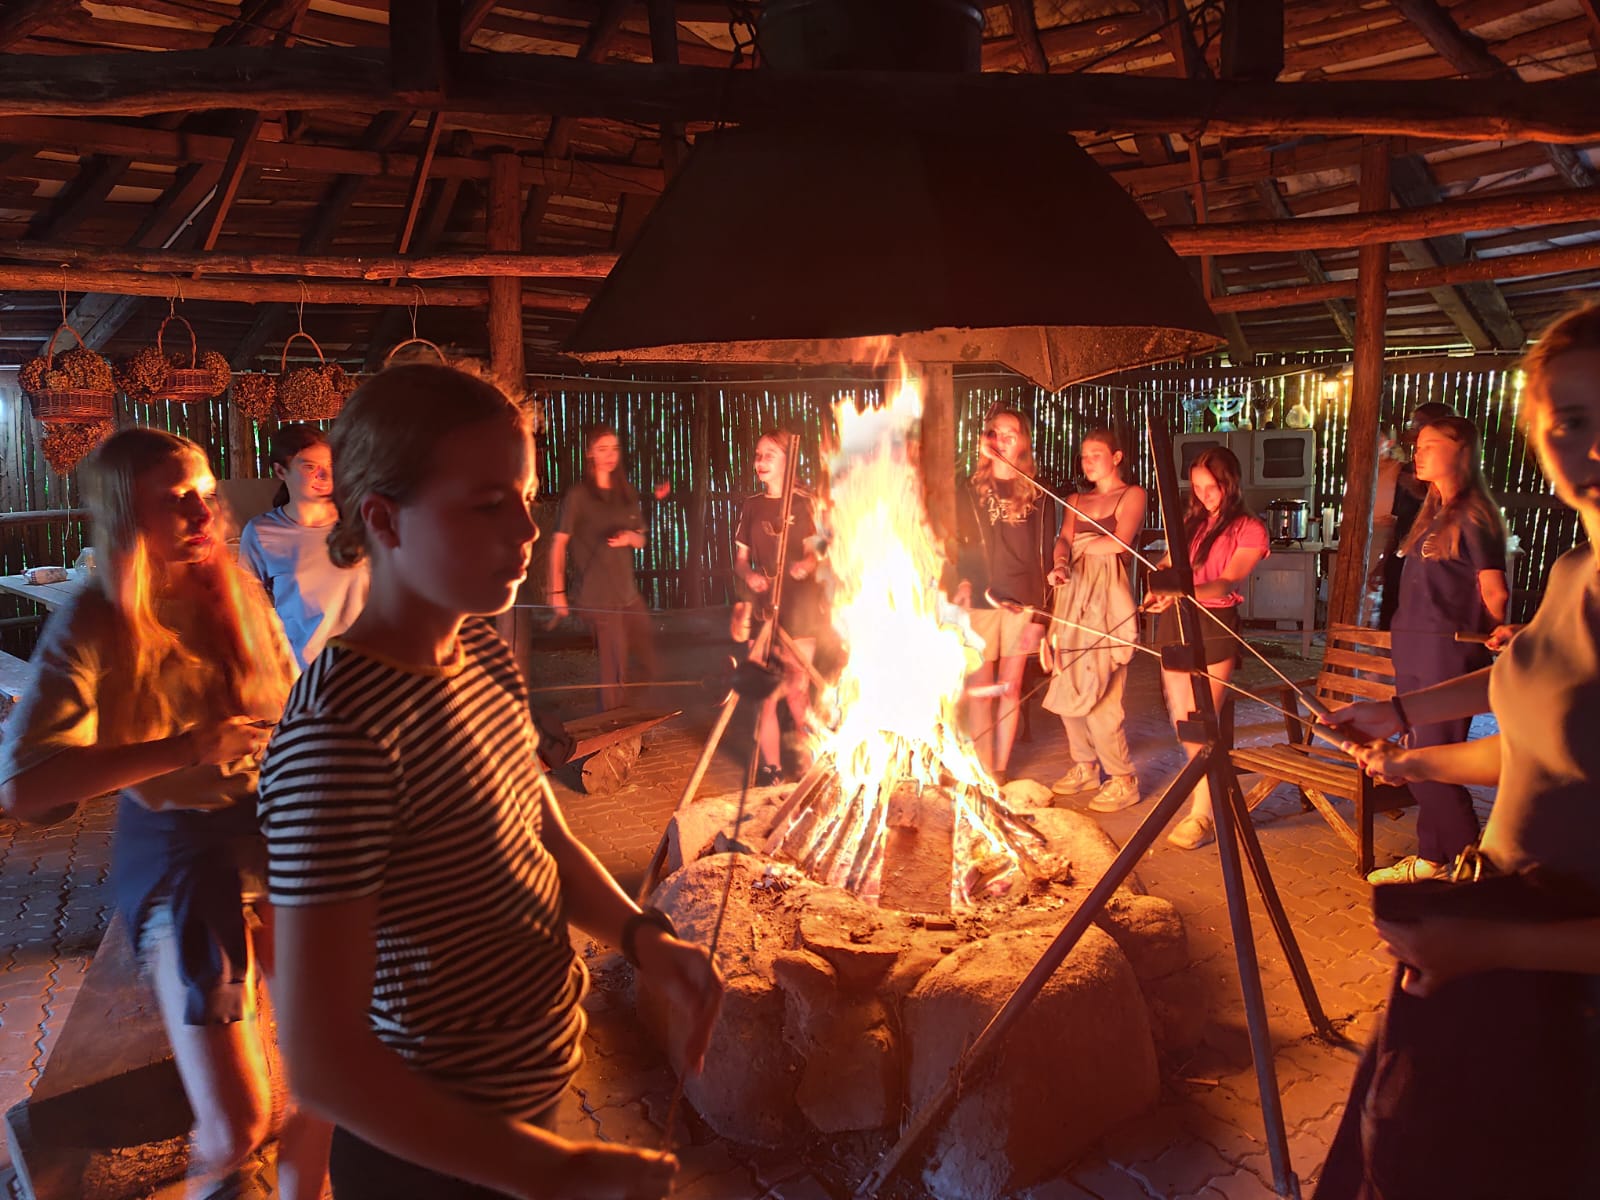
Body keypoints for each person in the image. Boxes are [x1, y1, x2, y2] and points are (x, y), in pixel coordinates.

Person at [257, 364, 723, 1200]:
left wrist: (643, 939)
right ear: (383, 519)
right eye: (486, 504)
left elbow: (535, 831)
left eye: (526, 495)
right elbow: (324, 1062)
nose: (528, 528)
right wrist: (550, 1174)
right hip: (423, 1146)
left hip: (521, 1111)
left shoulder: (478, 650)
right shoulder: (340, 733)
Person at [1315, 302, 1600, 1199]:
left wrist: (1486, 945)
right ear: (1540, 438)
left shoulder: (1475, 521)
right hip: (1497, 926)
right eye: (1573, 422)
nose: (1597, 449)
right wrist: (1407, 743)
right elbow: (1541, 744)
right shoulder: (1575, 576)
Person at [0, 429, 328, 1199]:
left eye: (205, 494)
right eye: (175, 499)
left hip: (275, 839)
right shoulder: (97, 621)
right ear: (126, 513)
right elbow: (22, 787)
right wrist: (185, 748)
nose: (202, 514)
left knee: (328, 1073)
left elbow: (290, 712)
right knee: (239, 1123)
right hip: (185, 860)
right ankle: (223, 1177)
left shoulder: (236, 592)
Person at [1366, 414, 1508, 883]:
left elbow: (1495, 591)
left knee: (1429, 763)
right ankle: (1432, 858)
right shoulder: (1434, 512)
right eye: (1418, 445)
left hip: (1445, 654)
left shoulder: (1475, 515)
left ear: (1461, 452)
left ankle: (1475, 870)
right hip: (1414, 650)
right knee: (1420, 754)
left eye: (1430, 445)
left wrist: (1496, 631)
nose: (1419, 452)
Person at [1145, 447, 1269, 851]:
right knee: (1183, 720)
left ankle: (1202, 813)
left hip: (1215, 624)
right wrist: (1159, 589)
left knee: (1202, 719)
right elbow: (1167, 565)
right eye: (1197, 488)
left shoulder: (1249, 529)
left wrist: (1183, 590)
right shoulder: (1190, 523)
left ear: (1229, 483)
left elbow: (1226, 582)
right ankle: (1209, 796)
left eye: (1211, 487)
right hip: (1176, 621)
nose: (1203, 495)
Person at [1042, 429, 1147, 812]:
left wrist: (1080, 550)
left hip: (1106, 602)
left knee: (1104, 694)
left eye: (1096, 454)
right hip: (1072, 598)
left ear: (1116, 457)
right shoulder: (1075, 500)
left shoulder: (1131, 495)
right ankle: (1085, 765)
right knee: (1067, 679)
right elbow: (1064, 540)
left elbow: (1120, 541)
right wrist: (1060, 564)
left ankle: (1123, 778)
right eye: (1084, 455)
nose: (1088, 462)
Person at [951, 409, 1048, 784]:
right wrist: (963, 583)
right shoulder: (969, 491)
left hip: (1023, 602)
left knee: (1010, 687)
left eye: (1012, 433)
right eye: (997, 433)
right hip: (982, 600)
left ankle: (1000, 770)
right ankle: (982, 765)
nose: (1004, 440)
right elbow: (958, 545)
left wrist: (1040, 616)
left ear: (1023, 441)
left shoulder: (1038, 493)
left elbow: (1044, 555)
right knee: (980, 688)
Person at [734, 430, 826, 786]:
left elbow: (816, 552)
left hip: (799, 608)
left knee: (797, 692)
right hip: (763, 609)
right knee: (765, 694)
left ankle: (811, 767)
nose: (760, 461)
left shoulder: (805, 504)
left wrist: (806, 564)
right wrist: (750, 576)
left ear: (788, 460)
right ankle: (771, 768)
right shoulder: (752, 505)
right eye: (758, 455)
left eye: (769, 454)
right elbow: (741, 560)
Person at [240, 423, 369, 670]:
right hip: (306, 672)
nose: (325, 475)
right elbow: (248, 608)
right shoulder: (262, 533)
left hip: (372, 668)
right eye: (310, 467)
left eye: (330, 465)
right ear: (281, 470)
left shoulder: (362, 522)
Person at [548, 425, 659, 710]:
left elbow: (641, 539)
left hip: (627, 593)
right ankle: (612, 725)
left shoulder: (626, 492)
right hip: (597, 596)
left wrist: (630, 537)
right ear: (590, 454)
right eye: (602, 449)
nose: (609, 455)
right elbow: (558, 543)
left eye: (614, 449)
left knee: (649, 656)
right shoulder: (579, 496)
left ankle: (628, 712)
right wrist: (557, 591)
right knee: (614, 663)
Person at [1369, 401, 1457, 630]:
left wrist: (1420, 494)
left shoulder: (1456, 487)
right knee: (1390, 621)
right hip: (1402, 560)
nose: (1414, 430)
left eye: (1420, 424)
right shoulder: (1408, 472)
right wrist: (1384, 563)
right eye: (1413, 424)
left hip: (1429, 566)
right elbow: (1400, 524)